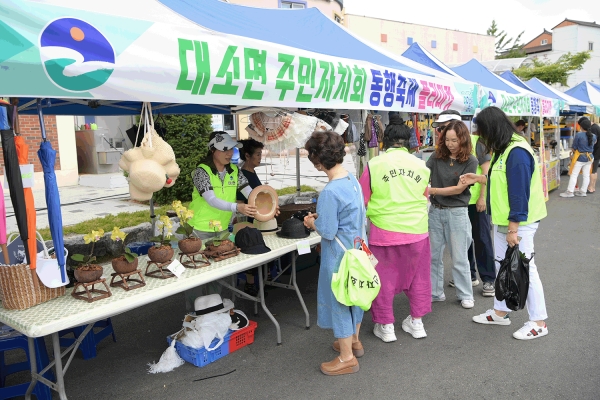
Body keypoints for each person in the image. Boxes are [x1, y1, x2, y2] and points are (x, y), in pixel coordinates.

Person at [461, 107, 549, 341]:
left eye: (482, 132)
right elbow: (500, 179)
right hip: (504, 222)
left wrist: (513, 229)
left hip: (519, 223)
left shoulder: (517, 151)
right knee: (503, 267)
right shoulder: (504, 148)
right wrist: (478, 178)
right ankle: (501, 311)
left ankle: (539, 322)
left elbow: (519, 194)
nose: (481, 137)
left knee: (525, 269)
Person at [359, 114, 431, 342]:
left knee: (383, 279)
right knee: (418, 277)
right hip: (417, 230)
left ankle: (386, 325)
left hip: (384, 231)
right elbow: (425, 196)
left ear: (385, 141)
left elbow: (363, 199)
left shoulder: (374, 165)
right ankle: (417, 323)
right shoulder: (421, 165)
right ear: (408, 142)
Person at [303, 131, 365, 376]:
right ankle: (354, 341)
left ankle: (347, 357)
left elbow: (327, 231)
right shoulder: (351, 179)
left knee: (340, 301)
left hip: (339, 256)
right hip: (358, 249)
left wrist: (311, 223)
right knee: (355, 296)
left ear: (318, 161)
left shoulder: (329, 191)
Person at [185, 131, 256, 310]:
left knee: (220, 275)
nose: (229, 153)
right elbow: (211, 200)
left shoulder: (235, 171)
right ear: (212, 150)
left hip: (222, 230)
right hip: (199, 230)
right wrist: (237, 207)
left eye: (231, 148)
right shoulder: (201, 171)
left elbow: (250, 193)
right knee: (198, 276)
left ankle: (216, 312)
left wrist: (265, 204)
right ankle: (193, 315)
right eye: (224, 149)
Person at [427, 120, 478, 309]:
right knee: (433, 256)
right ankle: (435, 292)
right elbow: (424, 174)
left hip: (457, 212)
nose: (450, 144)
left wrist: (431, 191)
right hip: (435, 211)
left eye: (454, 140)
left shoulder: (471, 160)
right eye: (447, 140)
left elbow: (458, 190)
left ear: (463, 139)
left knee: (459, 257)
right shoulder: (436, 156)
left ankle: (465, 294)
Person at [236, 138, 265, 296]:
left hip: (259, 218)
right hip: (249, 220)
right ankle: (250, 283)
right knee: (252, 249)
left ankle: (263, 278)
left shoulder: (252, 172)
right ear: (247, 156)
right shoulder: (242, 175)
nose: (260, 158)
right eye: (258, 155)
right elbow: (240, 202)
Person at [560, 117, 596, 198]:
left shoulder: (579, 135)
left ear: (581, 126)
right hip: (590, 157)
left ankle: (570, 191)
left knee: (574, 174)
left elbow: (574, 147)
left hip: (580, 157)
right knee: (586, 175)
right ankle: (583, 191)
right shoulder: (593, 136)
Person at [587, 123, 600, 193]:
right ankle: (593, 187)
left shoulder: (593, 128)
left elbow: (594, 141)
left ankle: (590, 187)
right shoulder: (597, 127)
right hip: (598, 152)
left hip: (595, 152)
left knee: (592, 170)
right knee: (595, 170)